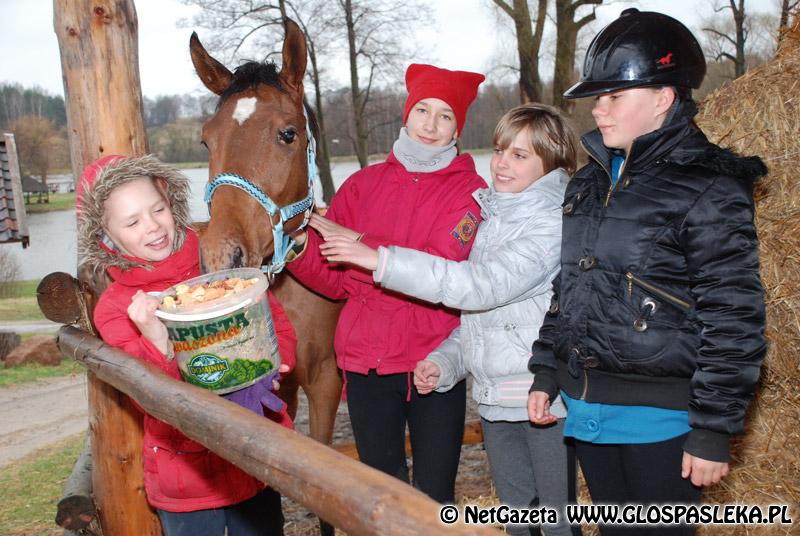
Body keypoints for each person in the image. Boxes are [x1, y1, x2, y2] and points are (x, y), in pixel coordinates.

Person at [527, 9, 767, 535]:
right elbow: (569, 287)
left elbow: (734, 315)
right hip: (589, 407)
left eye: (615, 96)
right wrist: (547, 369)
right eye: (598, 97)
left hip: (663, 422)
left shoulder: (710, 185)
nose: (599, 110)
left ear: (663, 98)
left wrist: (712, 428)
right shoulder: (588, 183)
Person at [318, 103, 580, 536]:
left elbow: (479, 286)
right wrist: (445, 362)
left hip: (542, 395)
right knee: (518, 516)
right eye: (499, 150)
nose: (501, 163)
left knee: (556, 521)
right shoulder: (493, 216)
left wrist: (377, 257)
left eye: (519, 155)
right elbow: (478, 317)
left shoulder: (550, 224)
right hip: (496, 398)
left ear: (550, 164)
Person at [287, 63, 486, 504]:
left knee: (435, 496)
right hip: (367, 363)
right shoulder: (362, 185)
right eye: (422, 110)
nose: (430, 125)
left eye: (445, 115)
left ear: (458, 127)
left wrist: (360, 242)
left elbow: (442, 266)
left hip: (433, 361)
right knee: (382, 491)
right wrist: (298, 249)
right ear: (406, 114)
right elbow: (337, 281)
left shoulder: (470, 192)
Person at [77, 154, 296, 536]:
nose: (152, 227)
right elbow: (149, 399)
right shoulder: (116, 308)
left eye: (157, 209)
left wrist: (276, 368)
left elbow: (274, 322)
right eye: (132, 222)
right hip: (186, 476)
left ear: (171, 201)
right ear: (105, 236)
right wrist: (158, 340)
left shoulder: (215, 257)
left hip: (254, 451)